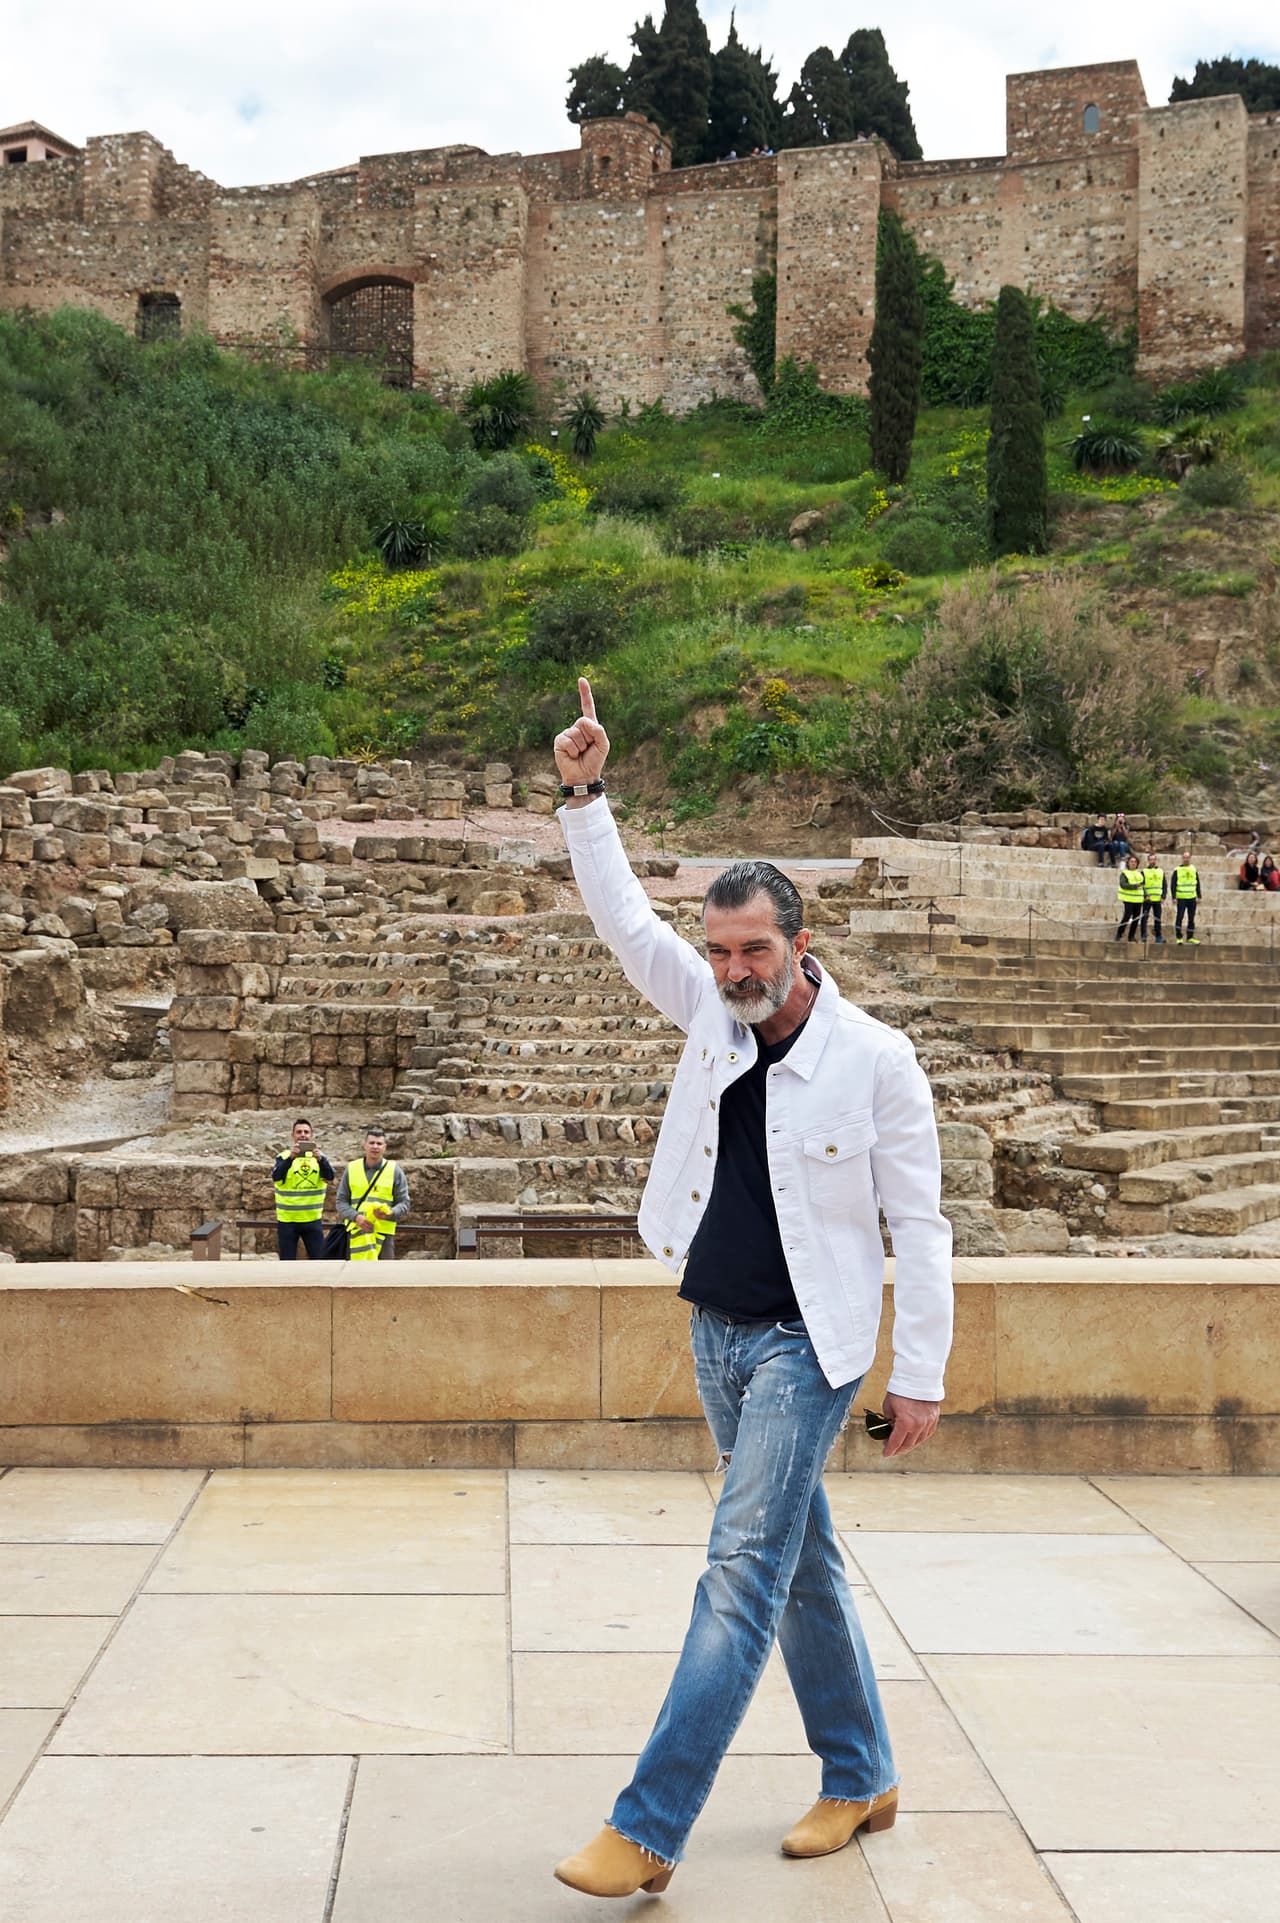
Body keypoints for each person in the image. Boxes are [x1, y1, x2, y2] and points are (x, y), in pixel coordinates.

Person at [550, 677, 952, 1900]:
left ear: (800, 944)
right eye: (718, 950)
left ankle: (648, 1824)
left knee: (737, 1575)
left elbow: (920, 1227)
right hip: (715, 1334)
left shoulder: (874, 1061)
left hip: (805, 1350)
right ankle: (860, 1772)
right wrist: (584, 795)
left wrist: (919, 1376)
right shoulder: (709, 1014)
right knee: (799, 1562)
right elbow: (625, 921)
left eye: (753, 951)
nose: (731, 969)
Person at [336, 1126, 409, 1259]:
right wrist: (356, 1217)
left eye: (379, 1143)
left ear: (384, 1147)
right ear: (365, 1145)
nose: (375, 1146)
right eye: (371, 1143)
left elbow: (404, 1203)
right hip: (356, 1233)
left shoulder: (395, 1170)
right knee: (356, 1276)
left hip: (383, 1234)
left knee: (383, 1276)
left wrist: (390, 1213)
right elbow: (341, 1202)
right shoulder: (351, 1168)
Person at [271, 1118, 334, 1261]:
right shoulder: (283, 1157)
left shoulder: (320, 1158)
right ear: (293, 1136)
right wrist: (291, 1158)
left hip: (312, 1220)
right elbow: (276, 1176)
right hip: (288, 1221)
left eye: (306, 1132)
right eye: (299, 1132)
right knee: (287, 1262)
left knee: (319, 1261)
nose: (303, 1135)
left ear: (311, 1135)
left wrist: (321, 1160)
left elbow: (330, 1177)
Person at [1173, 850, 1202, 943]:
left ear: (1190, 858)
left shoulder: (1194, 869)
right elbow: (1173, 884)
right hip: (1181, 897)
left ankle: (1190, 937)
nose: (1186, 859)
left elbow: (1197, 883)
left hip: (1192, 897)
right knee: (1180, 916)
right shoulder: (1177, 869)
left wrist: (1199, 895)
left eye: (1187, 857)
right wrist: (1174, 897)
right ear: (1182, 858)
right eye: (1184, 857)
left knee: (1191, 917)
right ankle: (1179, 936)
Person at [1115, 853, 1145, 942]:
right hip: (1128, 899)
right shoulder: (1125, 873)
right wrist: (1134, 886)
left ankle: (1131, 936)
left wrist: (1146, 894)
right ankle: (1119, 933)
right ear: (1128, 863)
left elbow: (1143, 886)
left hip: (1138, 899)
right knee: (1127, 916)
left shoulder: (1139, 874)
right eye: (1131, 861)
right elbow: (1123, 884)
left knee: (1136, 918)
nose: (1133, 863)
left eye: (1135, 862)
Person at [1140, 852, 1167, 943]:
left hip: (1157, 899)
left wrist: (1163, 896)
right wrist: (1145, 895)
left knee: (1158, 918)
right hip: (1147, 899)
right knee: (1144, 918)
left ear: (1156, 860)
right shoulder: (1144, 872)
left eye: (1154, 859)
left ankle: (1158, 936)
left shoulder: (1161, 871)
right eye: (1151, 859)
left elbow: (1164, 885)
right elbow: (1141, 885)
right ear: (1148, 860)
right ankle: (1143, 935)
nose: (1152, 861)